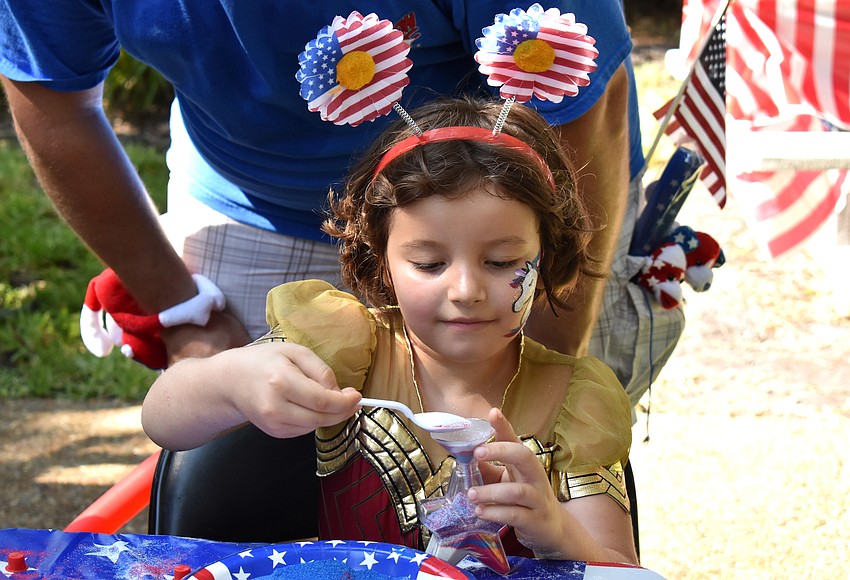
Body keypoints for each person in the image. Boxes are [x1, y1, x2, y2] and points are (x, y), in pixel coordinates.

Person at [141, 95, 638, 565]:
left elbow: (622, 570)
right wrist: (232, 381)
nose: (465, 289)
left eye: (501, 261)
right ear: (381, 262)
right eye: (428, 263)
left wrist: (555, 528)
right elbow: (161, 420)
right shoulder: (349, 348)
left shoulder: (575, 401)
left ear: (546, 258)